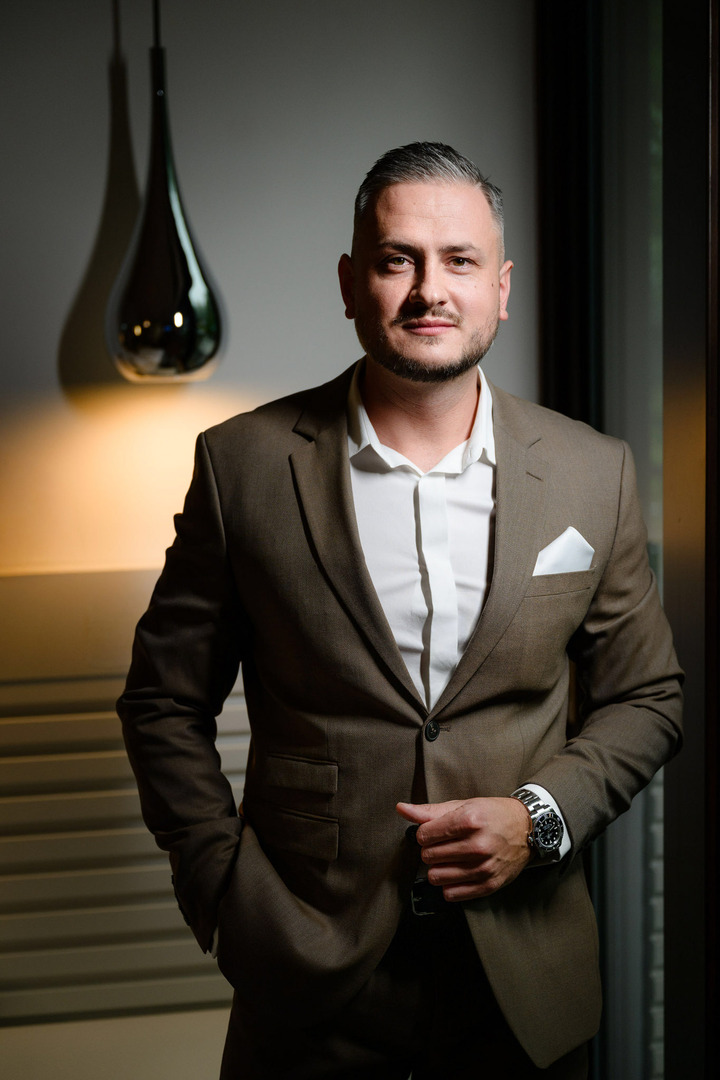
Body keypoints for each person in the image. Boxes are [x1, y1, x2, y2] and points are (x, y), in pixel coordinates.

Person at [118, 142, 683, 1079]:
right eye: (397, 260)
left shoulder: (595, 472)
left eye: (459, 260)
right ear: (351, 285)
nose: (430, 290)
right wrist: (221, 888)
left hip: (525, 978)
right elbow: (161, 703)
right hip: (306, 978)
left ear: (501, 288)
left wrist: (541, 818)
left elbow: (648, 697)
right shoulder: (241, 466)